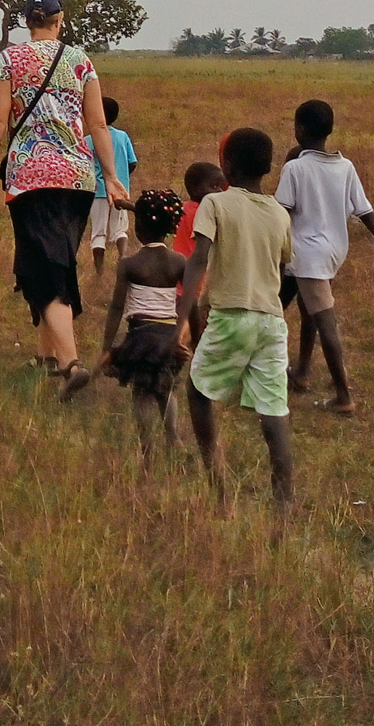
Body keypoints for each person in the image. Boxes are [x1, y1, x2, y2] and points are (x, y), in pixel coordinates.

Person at [0, 0, 126, 401]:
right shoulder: (80, 61)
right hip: (78, 179)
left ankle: (70, 363)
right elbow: (98, 125)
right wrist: (110, 175)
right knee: (54, 258)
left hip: (30, 177)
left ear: (27, 22)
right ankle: (45, 353)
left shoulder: (10, 59)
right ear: (60, 20)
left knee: (44, 266)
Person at [167, 127, 294, 508]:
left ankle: (217, 478)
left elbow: (199, 259)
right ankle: (284, 502)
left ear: (226, 166)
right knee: (274, 411)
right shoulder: (278, 213)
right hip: (271, 322)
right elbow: (285, 262)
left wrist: (180, 325)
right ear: (269, 167)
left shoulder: (215, 205)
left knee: (198, 391)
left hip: (231, 316)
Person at [275, 99, 374, 415]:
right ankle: (303, 373)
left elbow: (281, 214)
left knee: (325, 322)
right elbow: (365, 212)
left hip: (307, 253)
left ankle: (343, 396)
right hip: (331, 251)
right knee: (304, 310)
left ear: (299, 130)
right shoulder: (344, 166)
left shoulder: (294, 167)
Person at [97, 189, 202, 459]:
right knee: (166, 389)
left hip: (140, 337)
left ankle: (147, 446)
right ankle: (174, 437)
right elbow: (192, 303)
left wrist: (108, 348)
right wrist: (196, 340)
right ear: (169, 229)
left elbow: (117, 308)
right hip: (169, 336)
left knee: (141, 393)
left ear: (138, 229)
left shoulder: (129, 264)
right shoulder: (178, 261)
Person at [87, 96, 138, 276]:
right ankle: (123, 257)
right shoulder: (123, 136)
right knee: (120, 229)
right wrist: (122, 178)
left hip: (97, 191)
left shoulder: (89, 139)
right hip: (120, 189)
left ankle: (99, 271)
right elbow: (132, 162)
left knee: (98, 232)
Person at [173, 161, 227, 258]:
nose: (220, 191)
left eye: (222, 187)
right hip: (201, 267)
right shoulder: (207, 212)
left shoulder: (181, 208)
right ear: (195, 190)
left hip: (182, 265)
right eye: (214, 186)